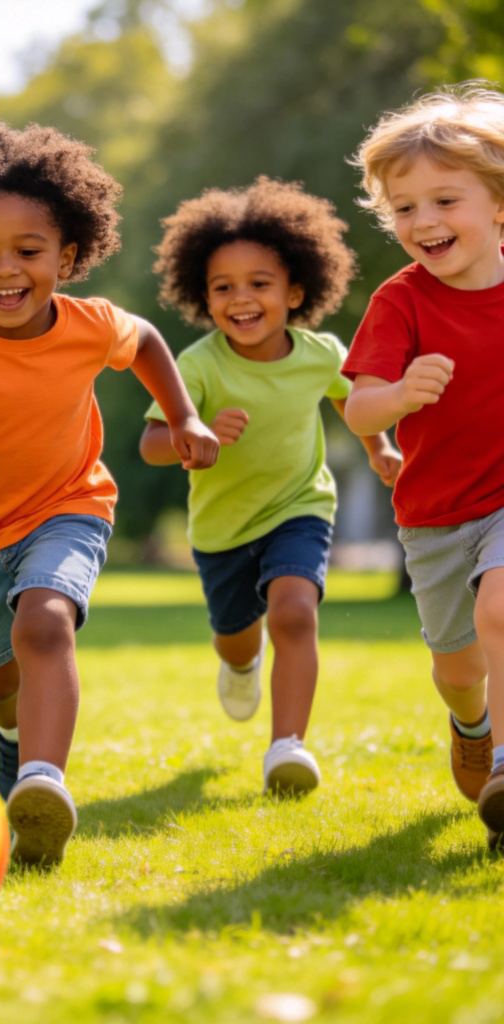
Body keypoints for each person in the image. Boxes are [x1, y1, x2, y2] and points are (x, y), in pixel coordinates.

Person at [0, 123, 218, 867]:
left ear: (67, 256)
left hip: (71, 505)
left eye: (28, 252)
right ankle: (11, 737)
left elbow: (148, 342)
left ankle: (42, 781)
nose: (6, 271)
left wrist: (183, 414)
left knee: (46, 624)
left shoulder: (91, 325)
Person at [140, 177, 401, 794]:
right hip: (221, 528)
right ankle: (241, 663)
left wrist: (380, 446)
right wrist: (193, 433)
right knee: (235, 640)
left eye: (259, 283)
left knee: (294, 612)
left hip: (299, 508)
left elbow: (351, 402)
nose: (241, 299)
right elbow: (152, 445)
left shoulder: (321, 353)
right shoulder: (198, 365)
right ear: (203, 297)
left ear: (296, 291)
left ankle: (288, 746)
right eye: (223, 287)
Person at [342, 83, 504, 847]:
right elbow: (359, 409)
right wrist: (401, 392)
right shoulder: (400, 302)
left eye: (445, 200)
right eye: (405, 208)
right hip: (436, 512)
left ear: (498, 203)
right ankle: (470, 721)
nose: (425, 222)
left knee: (501, 613)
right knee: (457, 664)